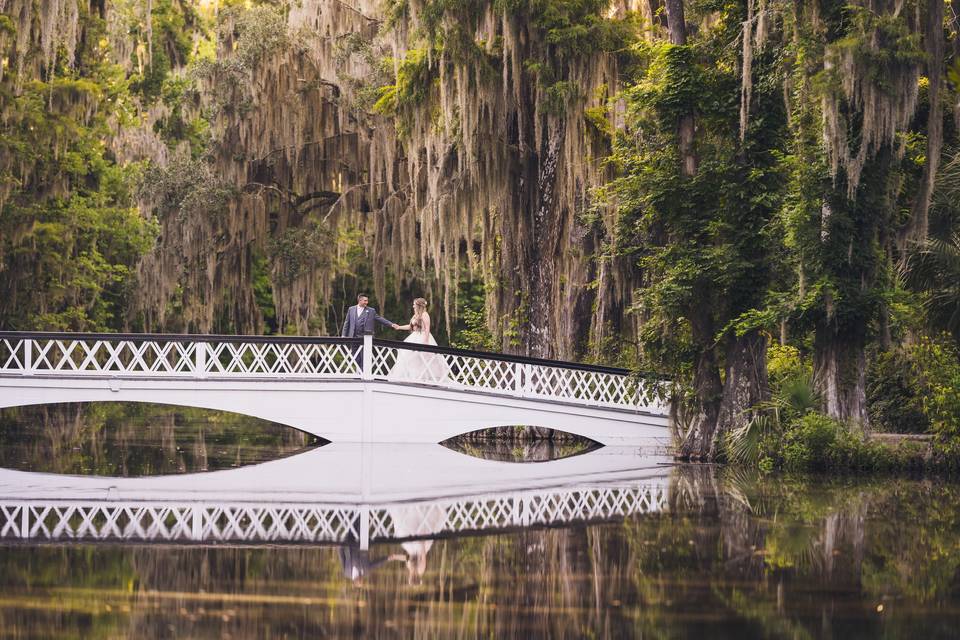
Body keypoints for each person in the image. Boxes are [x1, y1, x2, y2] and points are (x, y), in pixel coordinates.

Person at [388, 298, 450, 384]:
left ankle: (425, 379)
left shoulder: (425, 315)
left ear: (418, 305)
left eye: (414, 304)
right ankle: (412, 376)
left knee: (422, 358)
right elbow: (410, 327)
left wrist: (426, 342)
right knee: (409, 356)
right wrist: (399, 327)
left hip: (423, 336)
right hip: (414, 336)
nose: (413, 306)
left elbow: (427, 328)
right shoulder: (415, 315)